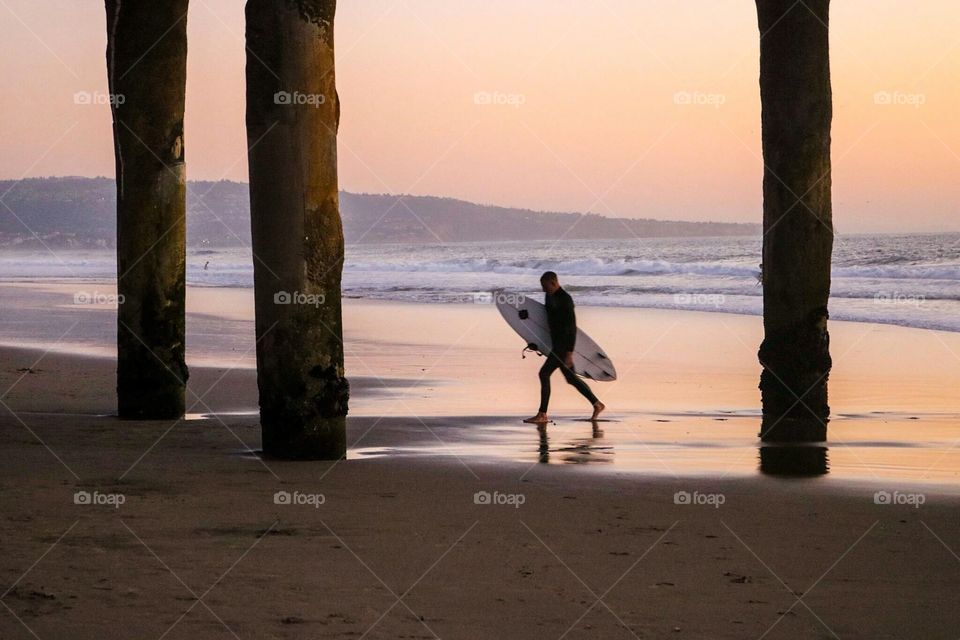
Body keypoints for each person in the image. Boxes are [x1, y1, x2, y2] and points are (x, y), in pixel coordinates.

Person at [524, 271, 605, 423]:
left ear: (554, 283)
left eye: (545, 286)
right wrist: (538, 342)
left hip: (563, 346)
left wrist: (569, 353)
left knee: (544, 374)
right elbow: (545, 322)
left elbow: (571, 328)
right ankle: (597, 404)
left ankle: (542, 414)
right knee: (571, 378)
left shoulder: (565, 300)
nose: (543, 290)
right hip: (555, 344)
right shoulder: (549, 296)